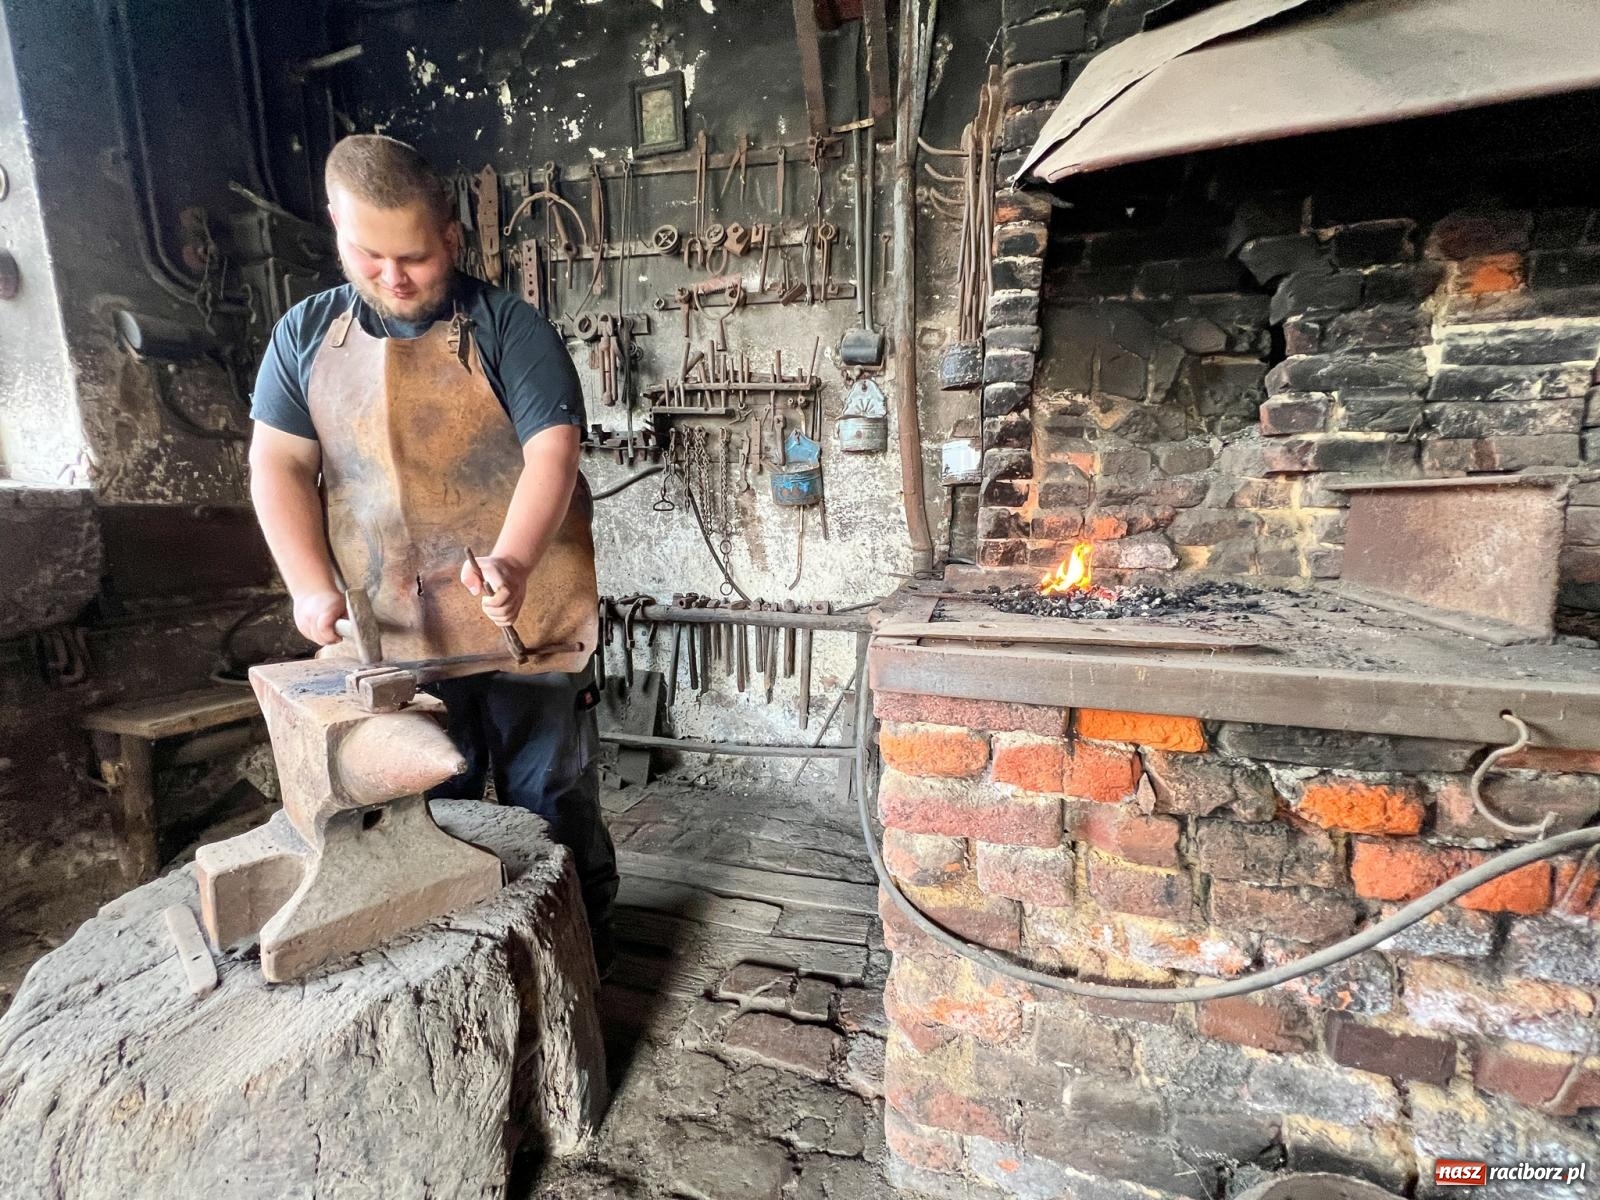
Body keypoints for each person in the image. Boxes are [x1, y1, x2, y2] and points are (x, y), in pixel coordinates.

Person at [248, 133, 616, 972]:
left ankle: (584, 967)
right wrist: (310, 588)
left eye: (413, 255)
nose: (392, 277)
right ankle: (459, 968)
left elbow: (552, 453)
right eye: (367, 255)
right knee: (427, 809)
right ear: (336, 226)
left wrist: (514, 563)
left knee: (550, 800)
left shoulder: (508, 327)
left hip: (532, 621)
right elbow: (277, 464)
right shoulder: (305, 336)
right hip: (397, 627)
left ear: (451, 237)